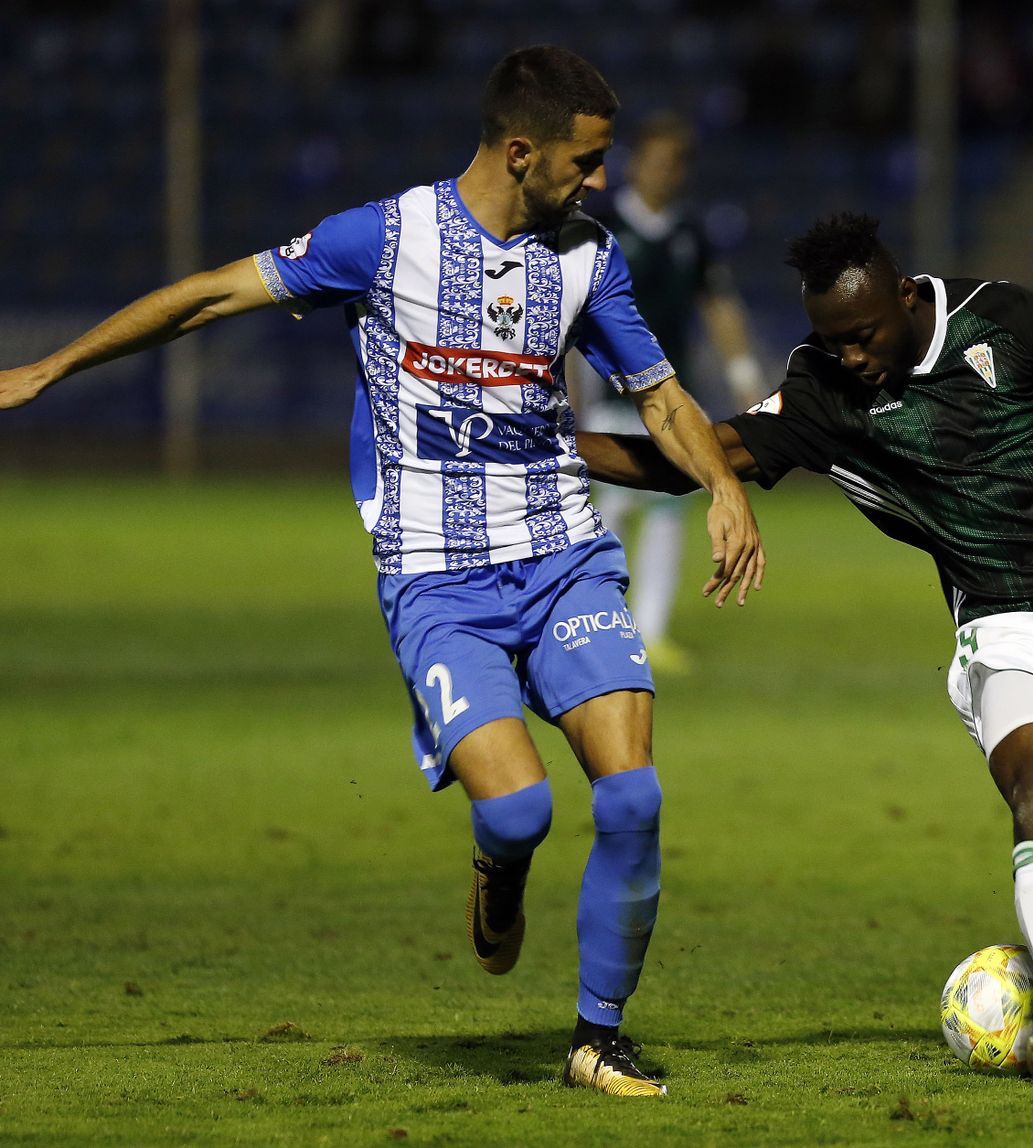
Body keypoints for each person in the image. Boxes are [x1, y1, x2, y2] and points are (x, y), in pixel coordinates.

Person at [0, 44, 765, 1100]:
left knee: (632, 794)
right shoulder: (384, 237)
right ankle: (498, 867)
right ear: (519, 150)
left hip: (561, 556)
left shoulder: (588, 256)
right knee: (518, 814)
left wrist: (723, 486)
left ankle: (598, 1036)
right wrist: (50, 368)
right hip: (435, 580)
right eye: (584, 164)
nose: (598, 184)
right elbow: (209, 298)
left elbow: (662, 393)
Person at [575, 213, 1033, 1103]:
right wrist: (559, 449)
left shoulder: (1010, 320)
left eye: (863, 335)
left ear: (907, 299)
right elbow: (703, 454)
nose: (849, 356)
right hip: (1009, 623)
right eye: (830, 341)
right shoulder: (823, 390)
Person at [576, 111, 764, 674]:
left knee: (663, 508)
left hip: (666, 392)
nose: (661, 171)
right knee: (609, 503)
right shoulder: (600, 226)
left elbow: (718, 304)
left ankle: (648, 630)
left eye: (672, 162)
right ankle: (595, 617)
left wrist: (742, 371)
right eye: (653, 159)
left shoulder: (690, 233)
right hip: (606, 388)